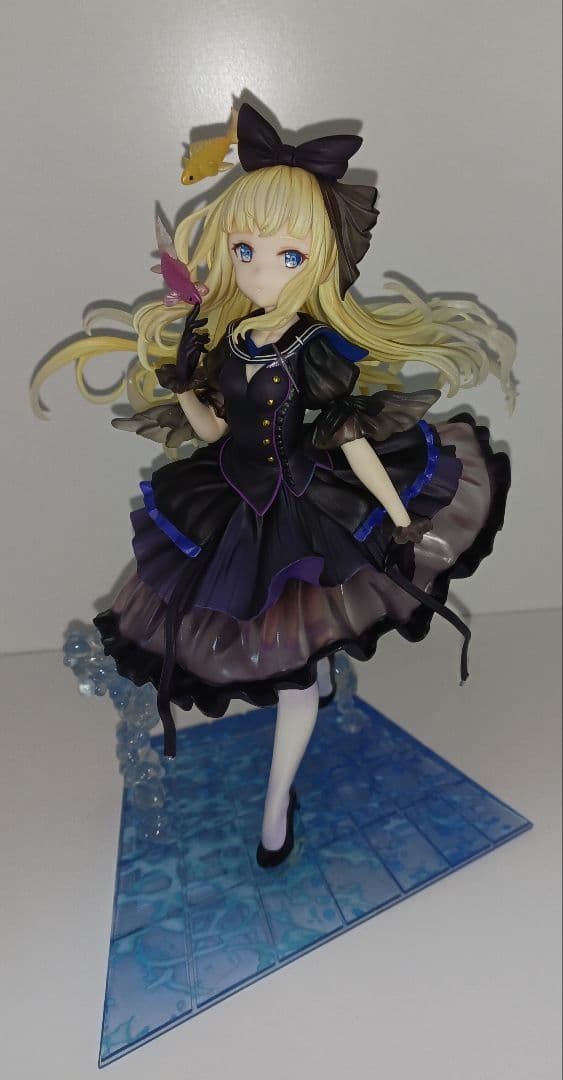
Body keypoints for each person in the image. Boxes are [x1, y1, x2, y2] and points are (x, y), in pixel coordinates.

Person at [33, 102, 515, 867]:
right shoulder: (229, 340)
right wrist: (185, 388)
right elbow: (214, 433)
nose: (261, 271)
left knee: (295, 666)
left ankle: (274, 804)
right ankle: (307, 700)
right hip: (229, 505)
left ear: (319, 259)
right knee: (266, 637)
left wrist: (396, 514)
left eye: (288, 255)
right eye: (246, 250)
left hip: (301, 506)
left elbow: (350, 438)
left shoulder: (314, 347)